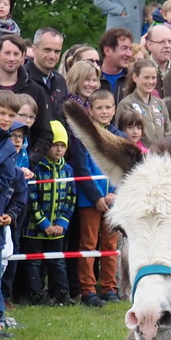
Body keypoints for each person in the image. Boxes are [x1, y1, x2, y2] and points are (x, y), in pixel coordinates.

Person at [67, 89, 120, 306]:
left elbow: (122, 168)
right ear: (90, 110)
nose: (104, 111)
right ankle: (87, 289)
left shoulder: (119, 136)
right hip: (90, 200)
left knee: (111, 245)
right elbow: (81, 168)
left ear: (114, 109)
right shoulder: (83, 138)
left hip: (114, 200)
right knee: (88, 244)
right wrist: (97, 196)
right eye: (99, 107)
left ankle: (109, 287)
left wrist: (115, 193)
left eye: (108, 107)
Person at [20, 121, 74, 304]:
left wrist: (62, 222)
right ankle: (36, 293)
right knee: (33, 261)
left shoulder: (68, 170)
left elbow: (70, 198)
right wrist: (43, 223)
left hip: (58, 228)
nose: (59, 150)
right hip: (35, 228)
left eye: (62, 146)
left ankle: (61, 292)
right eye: (55, 145)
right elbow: (31, 199)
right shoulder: (36, 169)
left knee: (57, 261)